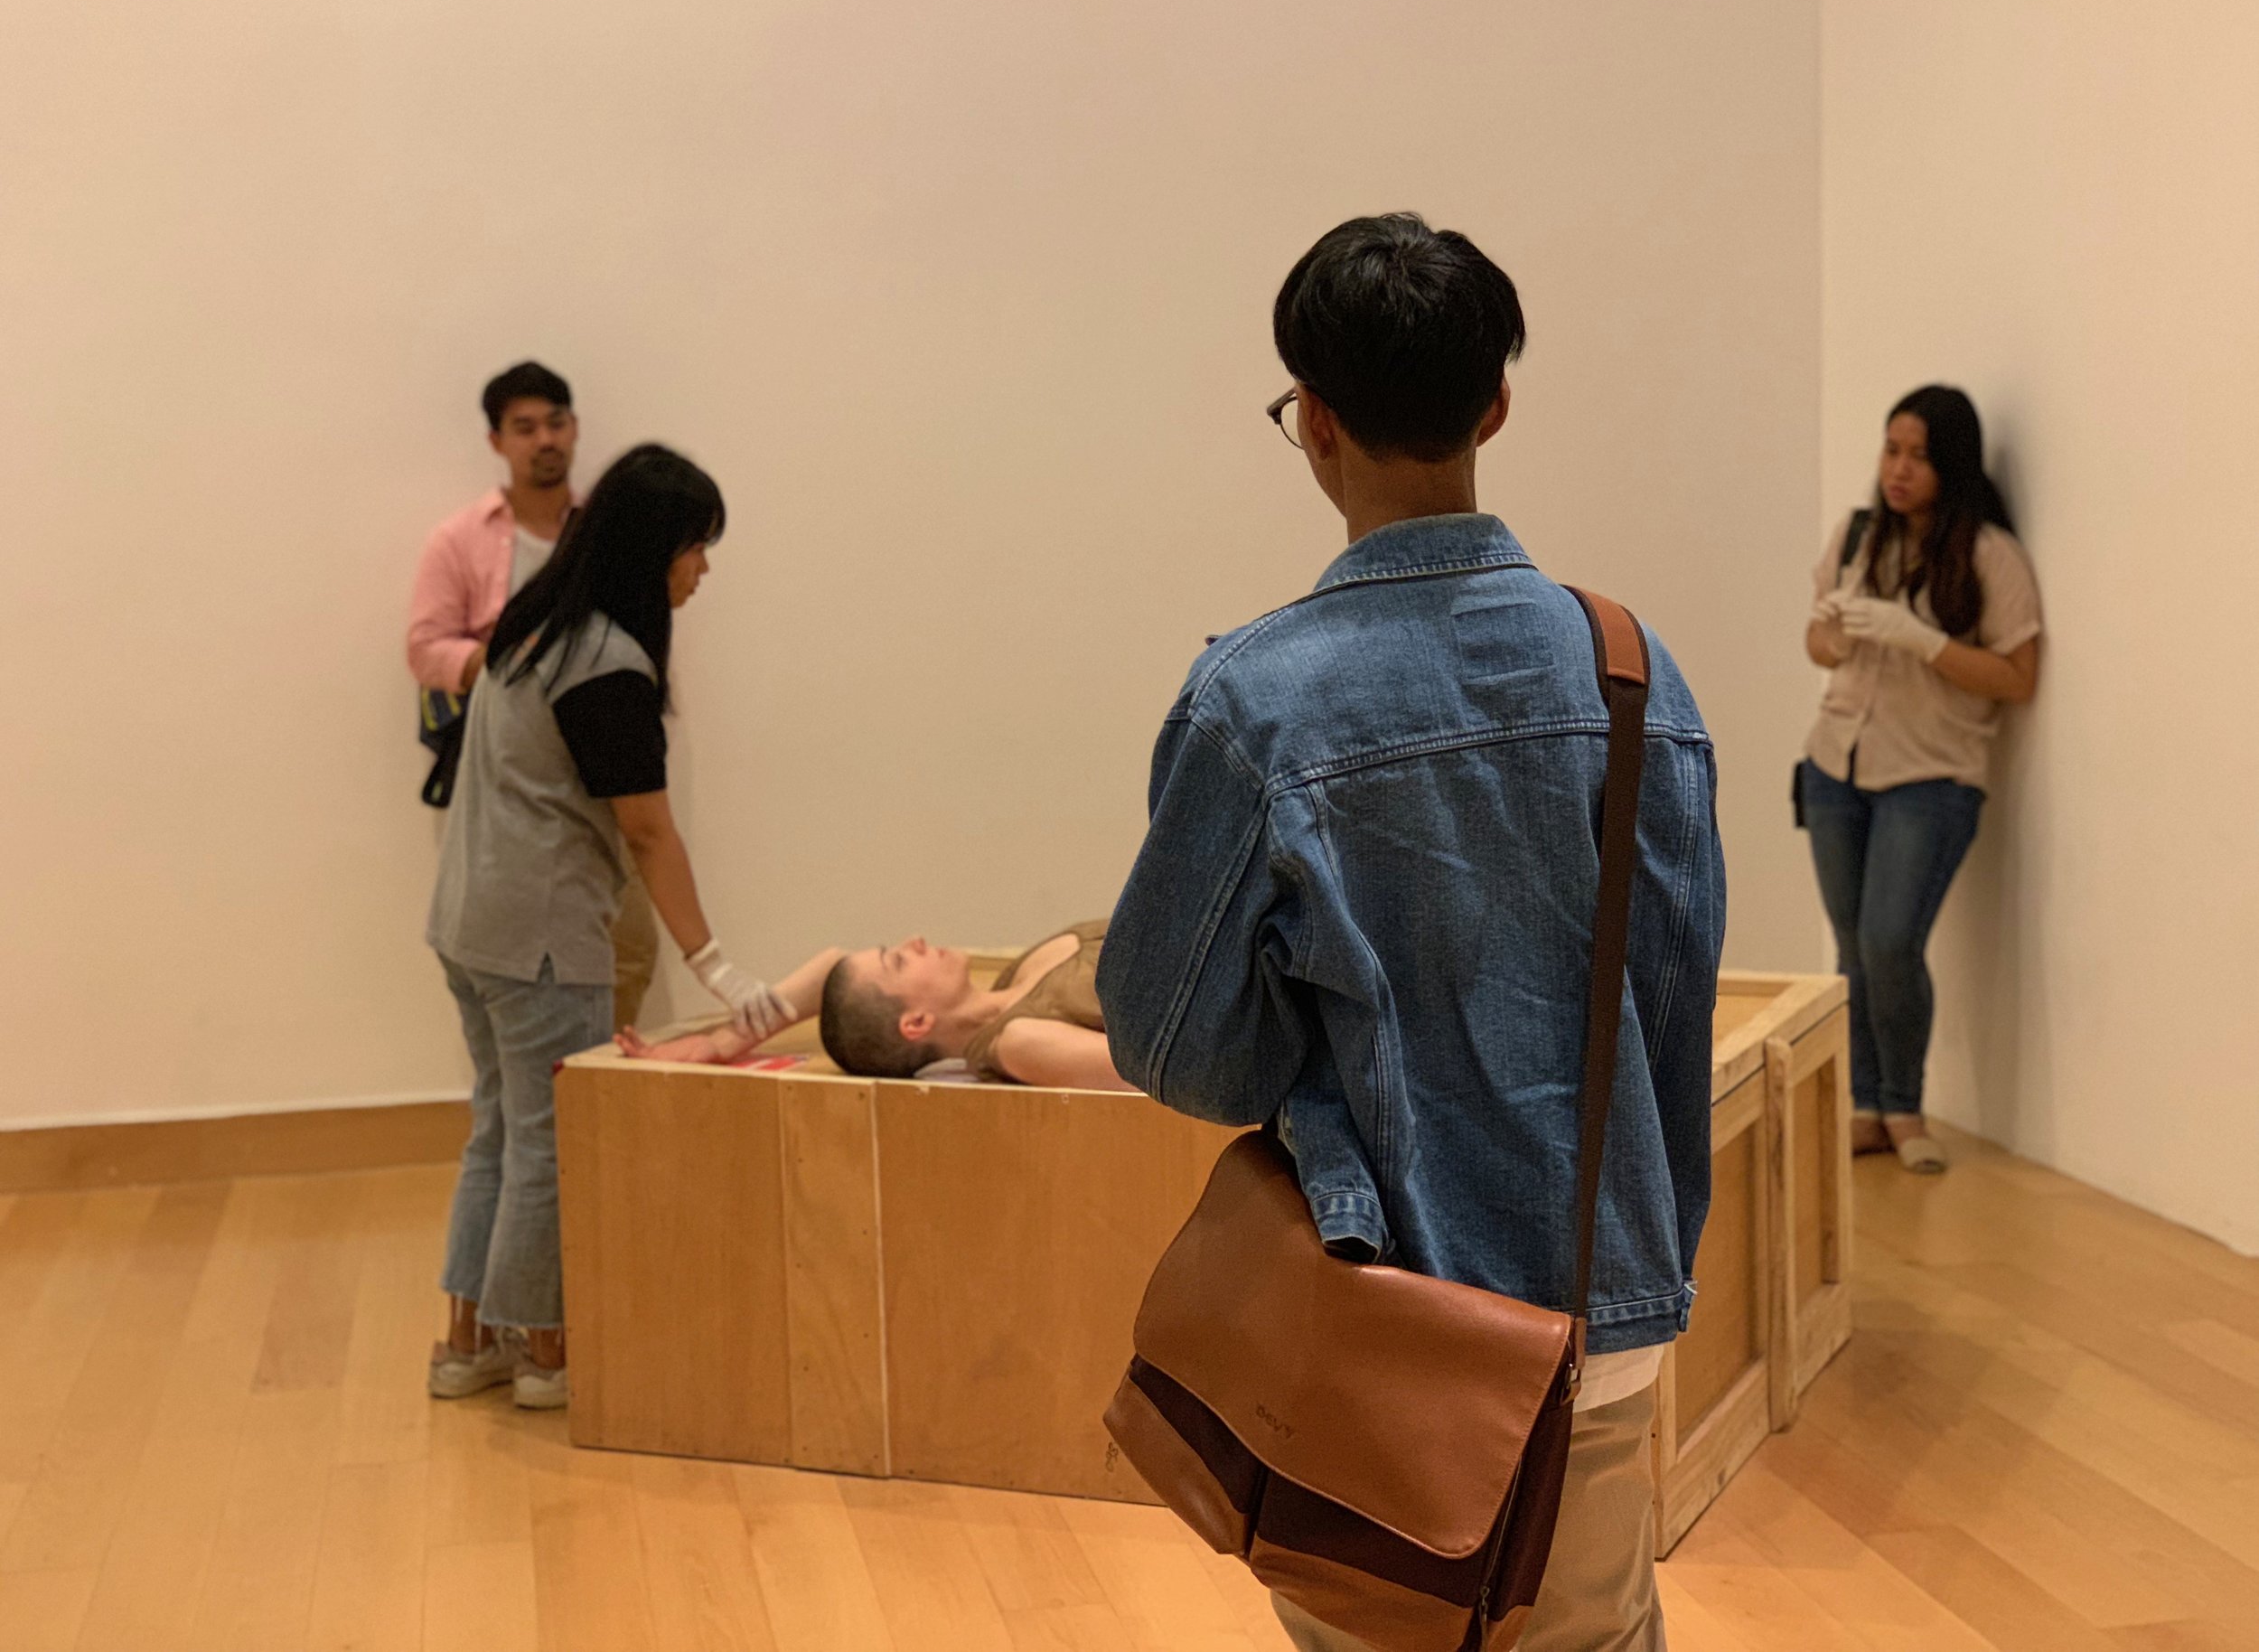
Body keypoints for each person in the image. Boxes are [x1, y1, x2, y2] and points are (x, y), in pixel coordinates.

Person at [1097, 214, 1725, 1652]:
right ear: (1495, 404)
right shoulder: (1630, 670)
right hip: (1602, 1304)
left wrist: (1316, 1064)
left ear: (1314, 420)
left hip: (1382, 1314)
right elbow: (1675, 1005)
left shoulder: (1257, 700)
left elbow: (1179, 1046)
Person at [425, 443, 805, 1409]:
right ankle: (547, 1354)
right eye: (694, 547)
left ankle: (469, 1342)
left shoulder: (535, 622)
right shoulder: (605, 663)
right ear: (651, 550)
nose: (702, 569)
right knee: (552, 1141)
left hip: (468, 920)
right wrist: (715, 967)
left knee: (497, 1128)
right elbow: (645, 828)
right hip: (542, 935)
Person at [1800, 385, 2042, 1174]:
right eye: (1892, 450)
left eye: (1920, 456)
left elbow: (2019, 676)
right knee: (1852, 945)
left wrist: (1922, 640)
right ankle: (1866, 1106)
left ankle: (1905, 1105)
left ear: (1953, 465)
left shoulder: (1989, 555)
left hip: (1931, 774)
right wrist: (1835, 634)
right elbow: (1818, 645)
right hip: (1836, 764)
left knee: (1890, 940)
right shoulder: (1857, 535)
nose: (1899, 469)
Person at [406, 361, 660, 1032]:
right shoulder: (460, 539)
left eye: (555, 422)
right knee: (511, 963)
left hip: (608, 774)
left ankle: (604, 1077)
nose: (544, 439)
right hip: (510, 782)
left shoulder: (604, 535)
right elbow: (425, 647)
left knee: (631, 947)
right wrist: (511, 666)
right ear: (497, 441)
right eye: (525, 427)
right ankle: (552, 1082)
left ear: (574, 428)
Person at [625, 921, 1137, 1093]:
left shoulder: (1011, 979)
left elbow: (834, 967)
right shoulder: (1021, 1041)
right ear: (916, 1022)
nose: (916, 941)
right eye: (898, 960)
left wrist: (724, 1041)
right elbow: (1163, 1073)